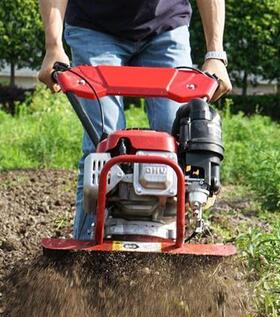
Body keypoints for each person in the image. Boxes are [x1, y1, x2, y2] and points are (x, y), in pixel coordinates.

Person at [38, 0, 232, 240]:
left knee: (176, 144)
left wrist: (215, 55)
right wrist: (53, 45)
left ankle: (168, 248)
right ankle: (86, 255)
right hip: (94, 28)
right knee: (102, 148)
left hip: (166, 25)